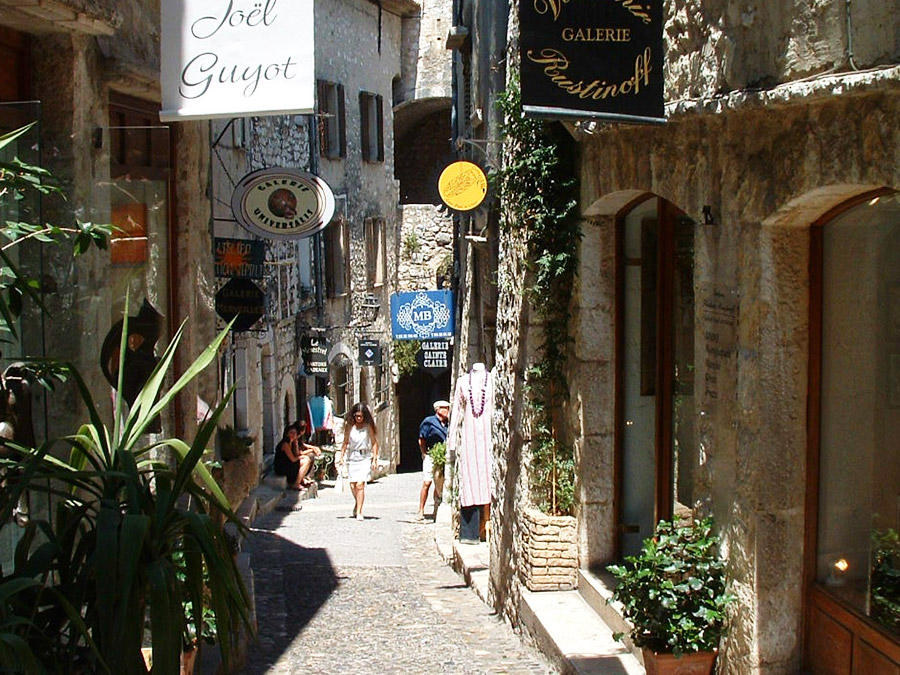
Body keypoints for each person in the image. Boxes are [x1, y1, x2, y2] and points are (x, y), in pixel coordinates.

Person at [337, 402, 379, 520]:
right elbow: (345, 443)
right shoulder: (349, 427)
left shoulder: (368, 427)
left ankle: (359, 511)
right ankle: (357, 503)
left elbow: (374, 443)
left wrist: (375, 459)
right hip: (352, 458)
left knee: (360, 484)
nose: (359, 418)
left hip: (364, 457)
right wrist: (341, 457)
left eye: (361, 416)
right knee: (352, 485)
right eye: (357, 416)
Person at [417, 399, 450, 520]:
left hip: (442, 457)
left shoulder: (448, 424)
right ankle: (421, 510)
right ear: (438, 410)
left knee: (439, 483)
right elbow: (422, 439)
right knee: (427, 482)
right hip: (431, 454)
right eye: (445, 408)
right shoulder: (429, 422)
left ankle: (437, 507)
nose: (447, 411)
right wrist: (424, 453)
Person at [273, 421, 322, 490]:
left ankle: (301, 479)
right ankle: (296, 483)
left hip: (288, 464)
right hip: (282, 468)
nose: (293, 435)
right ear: (287, 434)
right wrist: (303, 456)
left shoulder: (292, 442)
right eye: (291, 433)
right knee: (305, 461)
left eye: (295, 433)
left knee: (307, 459)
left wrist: (296, 443)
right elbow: (293, 459)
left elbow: (297, 453)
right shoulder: (285, 444)